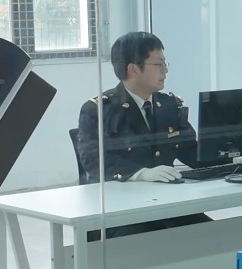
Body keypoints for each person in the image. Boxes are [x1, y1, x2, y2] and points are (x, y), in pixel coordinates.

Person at [75, 30, 197, 184]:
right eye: (159, 65)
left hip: (166, 193)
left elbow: (193, 154)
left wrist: (224, 152)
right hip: (120, 194)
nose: (165, 71)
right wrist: (141, 173)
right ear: (133, 70)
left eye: (165, 64)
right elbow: (93, 160)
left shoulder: (169, 105)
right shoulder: (100, 110)